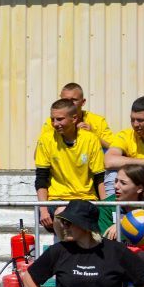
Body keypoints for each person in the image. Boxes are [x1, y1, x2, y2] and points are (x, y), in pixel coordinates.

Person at [34, 98, 106, 233]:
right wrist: (43, 210)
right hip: (55, 200)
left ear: (74, 118)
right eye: (52, 119)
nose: (55, 123)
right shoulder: (45, 140)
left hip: (86, 199)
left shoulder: (91, 139)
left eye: (60, 119)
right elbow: (41, 179)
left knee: (72, 216)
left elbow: (99, 178)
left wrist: (107, 208)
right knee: (60, 213)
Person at [39, 82, 115, 150]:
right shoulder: (53, 122)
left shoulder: (97, 120)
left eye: (74, 100)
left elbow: (113, 148)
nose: (69, 103)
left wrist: (93, 136)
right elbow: (37, 154)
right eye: (65, 100)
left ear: (83, 102)